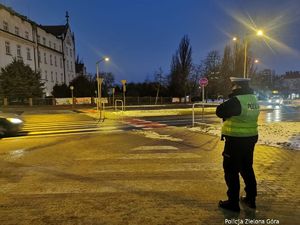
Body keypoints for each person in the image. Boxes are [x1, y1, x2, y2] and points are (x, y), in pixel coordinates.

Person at [216, 77, 260, 212]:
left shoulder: (237, 100)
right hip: (250, 138)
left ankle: (233, 203)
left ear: (238, 87)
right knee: (247, 168)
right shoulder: (253, 99)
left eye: (233, 86)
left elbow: (219, 111)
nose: (232, 88)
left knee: (231, 171)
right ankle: (251, 199)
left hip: (235, 140)